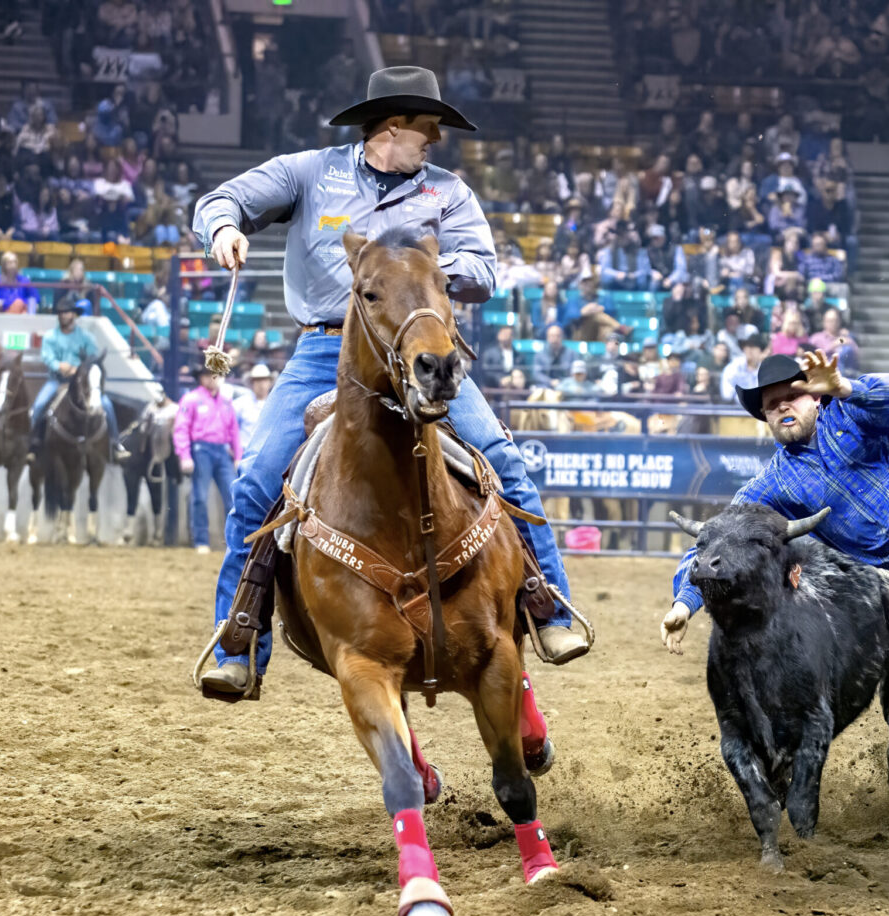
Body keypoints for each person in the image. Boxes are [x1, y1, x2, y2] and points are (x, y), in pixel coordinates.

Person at [189, 66, 589, 700]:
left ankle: (548, 605)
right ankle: (238, 640)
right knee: (258, 476)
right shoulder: (308, 172)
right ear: (393, 127)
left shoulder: (448, 192)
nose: (437, 141)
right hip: (328, 349)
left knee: (501, 457)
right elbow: (221, 200)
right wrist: (224, 229)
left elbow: (483, 270)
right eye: (430, 128)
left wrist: (410, 272)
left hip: (422, 348)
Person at [661, 349, 889, 654]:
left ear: (816, 397)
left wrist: (846, 388)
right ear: (766, 417)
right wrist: (684, 604)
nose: (783, 406)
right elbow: (717, 540)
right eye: (772, 405)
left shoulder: (850, 410)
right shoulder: (773, 484)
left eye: (793, 396)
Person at [29, 299, 125, 459]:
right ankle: (32, 444)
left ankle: (115, 443)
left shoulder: (86, 337)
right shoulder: (50, 337)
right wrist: (59, 366)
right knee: (39, 405)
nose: (63, 315)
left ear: (74, 315)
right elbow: (47, 357)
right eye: (61, 313)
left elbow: (93, 359)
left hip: (82, 382)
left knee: (106, 405)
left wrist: (77, 369)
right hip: (57, 380)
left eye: (66, 312)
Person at [176, 365, 241, 555]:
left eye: (216, 375)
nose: (212, 378)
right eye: (208, 375)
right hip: (201, 450)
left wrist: (238, 456)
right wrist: (185, 455)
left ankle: (233, 541)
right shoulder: (191, 399)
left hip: (222, 450)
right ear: (201, 378)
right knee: (200, 497)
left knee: (232, 496)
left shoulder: (226, 402)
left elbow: (234, 431)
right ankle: (201, 540)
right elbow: (181, 428)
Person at [232, 363, 273, 453]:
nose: (261, 384)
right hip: (244, 452)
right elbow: (230, 427)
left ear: (270, 383)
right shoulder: (240, 404)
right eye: (257, 381)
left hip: (265, 453)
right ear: (252, 383)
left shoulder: (274, 405)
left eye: (264, 380)